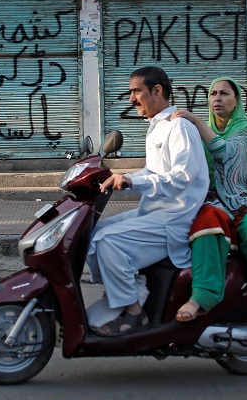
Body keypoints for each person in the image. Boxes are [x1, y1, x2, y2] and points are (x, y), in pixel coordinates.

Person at [88, 66, 209, 336]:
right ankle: (127, 291)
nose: (131, 99)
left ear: (157, 91)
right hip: (153, 212)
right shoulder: (156, 128)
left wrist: (133, 181)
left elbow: (181, 176)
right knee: (93, 232)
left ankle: (133, 313)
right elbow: (154, 173)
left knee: (108, 242)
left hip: (174, 219)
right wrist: (120, 177)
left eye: (136, 91)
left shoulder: (178, 126)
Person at [170, 77, 247, 332]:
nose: (217, 98)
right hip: (212, 199)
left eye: (224, 94)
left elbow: (225, 152)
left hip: (243, 199)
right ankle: (202, 296)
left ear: (236, 100)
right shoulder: (198, 131)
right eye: (213, 93)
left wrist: (194, 120)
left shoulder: (246, 129)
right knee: (206, 221)